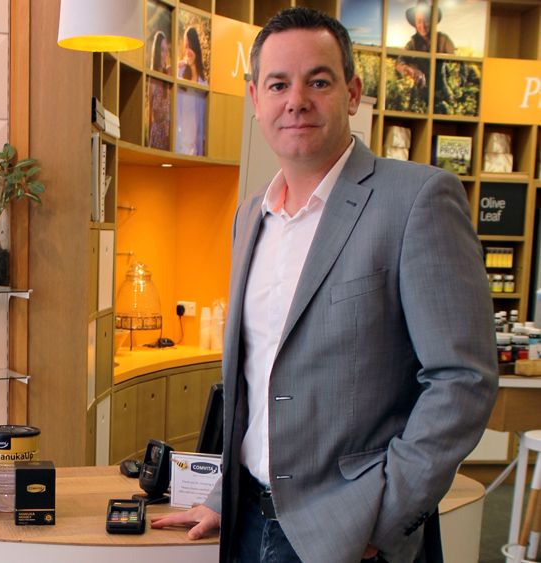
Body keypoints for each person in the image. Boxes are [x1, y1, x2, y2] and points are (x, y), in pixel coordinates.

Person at [151, 7, 497, 563]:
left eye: (318, 81)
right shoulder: (249, 217)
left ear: (353, 92)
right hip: (247, 527)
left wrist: (383, 521)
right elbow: (259, 383)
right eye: (278, 84)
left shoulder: (417, 201)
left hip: (352, 536)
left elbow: (462, 380)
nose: (296, 101)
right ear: (256, 99)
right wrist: (223, 495)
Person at [396, 1, 455, 90]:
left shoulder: (443, 40)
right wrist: (411, 70)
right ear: (415, 24)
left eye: (426, 20)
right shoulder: (412, 43)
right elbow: (400, 60)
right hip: (421, 90)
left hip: (442, 89)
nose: (422, 25)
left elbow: (455, 62)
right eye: (419, 21)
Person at [175, 25, 207, 155]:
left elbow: (203, 119)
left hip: (195, 143)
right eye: (186, 46)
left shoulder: (203, 82)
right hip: (180, 140)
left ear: (196, 48)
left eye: (190, 46)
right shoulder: (180, 73)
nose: (188, 51)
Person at [147, 30, 171, 150]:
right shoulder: (152, 78)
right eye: (162, 50)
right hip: (157, 136)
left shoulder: (169, 74)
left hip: (169, 134)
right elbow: (149, 114)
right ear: (156, 52)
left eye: (166, 50)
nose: (164, 54)